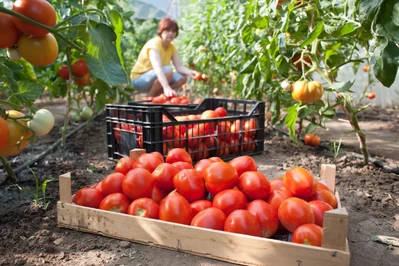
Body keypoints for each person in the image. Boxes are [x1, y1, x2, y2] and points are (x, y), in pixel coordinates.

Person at [130, 18, 198, 98]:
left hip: (156, 78)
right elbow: (157, 68)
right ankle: (149, 99)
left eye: (173, 31)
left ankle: (158, 98)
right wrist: (166, 86)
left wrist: (191, 72)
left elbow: (179, 66)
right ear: (161, 31)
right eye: (167, 31)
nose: (171, 33)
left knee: (182, 78)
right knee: (168, 70)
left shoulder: (171, 47)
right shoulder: (155, 44)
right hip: (140, 80)